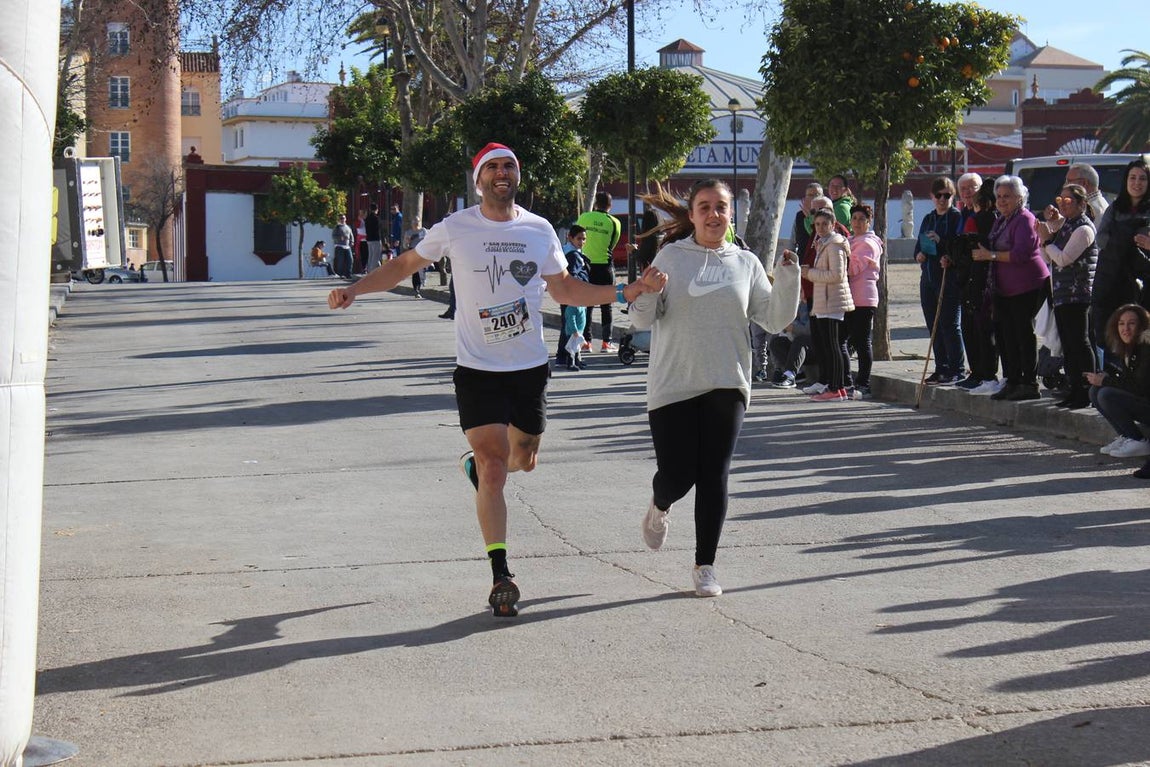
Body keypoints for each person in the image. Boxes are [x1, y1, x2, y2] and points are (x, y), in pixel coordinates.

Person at [326, 142, 665, 617]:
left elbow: (564, 288)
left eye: (509, 166)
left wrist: (625, 290)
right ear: (479, 178)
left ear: (517, 176)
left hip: (528, 369)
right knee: (492, 467)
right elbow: (404, 265)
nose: (501, 174)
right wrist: (355, 289)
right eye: (493, 168)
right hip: (477, 370)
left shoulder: (538, 228)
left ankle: (489, 470)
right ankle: (500, 573)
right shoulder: (456, 228)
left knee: (522, 461)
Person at [629, 179, 800, 597]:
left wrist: (790, 278)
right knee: (678, 473)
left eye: (720, 207)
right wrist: (647, 292)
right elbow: (640, 320)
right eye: (704, 207)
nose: (713, 215)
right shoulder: (671, 256)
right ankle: (660, 504)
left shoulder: (746, 263)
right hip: (673, 383)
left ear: (730, 214)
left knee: (714, 474)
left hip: (728, 381)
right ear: (692, 215)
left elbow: (773, 320)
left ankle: (705, 565)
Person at [972, 175, 1049, 401]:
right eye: (999, 197)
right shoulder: (1001, 219)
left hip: (1027, 285)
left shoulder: (1025, 219)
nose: (1002, 201)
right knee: (1006, 336)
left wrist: (990, 255)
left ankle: (1029, 382)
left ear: (1019, 197)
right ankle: (1012, 380)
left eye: (1008, 196)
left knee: (1023, 335)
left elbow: (1021, 254)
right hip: (1003, 288)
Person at [1038, 183, 1098, 409]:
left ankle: (1086, 390)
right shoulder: (1067, 226)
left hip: (1077, 294)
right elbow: (1048, 258)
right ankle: (1074, 389)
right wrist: (1050, 230)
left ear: (1082, 203)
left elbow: (1063, 258)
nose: (1062, 204)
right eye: (1060, 200)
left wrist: (1047, 240)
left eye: (1068, 201)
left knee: (1079, 343)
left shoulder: (1083, 229)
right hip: (1061, 295)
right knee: (1068, 345)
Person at [1091, 159, 1150, 369]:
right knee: (1110, 334)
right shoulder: (1115, 207)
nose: (1137, 183)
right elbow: (1101, 239)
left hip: (1140, 282)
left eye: (1143, 179)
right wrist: (1122, 241)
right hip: (1111, 280)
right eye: (1132, 178)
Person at [915, 176, 965, 385]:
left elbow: (959, 246)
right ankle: (941, 367)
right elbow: (918, 245)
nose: (943, 199)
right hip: (928, 277)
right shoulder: (928, 218)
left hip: (948, 277)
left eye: (947, 195)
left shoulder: (956, 217)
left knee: (949, 324)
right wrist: (919, 255)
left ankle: (957, 369)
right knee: (933, 324)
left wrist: (942, 243)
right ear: (932, 197)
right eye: (939, 195)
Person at [803, 208, 855, 401]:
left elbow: (836, 275)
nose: (821, 228)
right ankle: (836, 387)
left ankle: (836, 387)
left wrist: (810, 273)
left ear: (833, 225)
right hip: (824, 300)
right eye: (817, 224)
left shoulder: (834, 244)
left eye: (825, 224)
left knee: (833, 346)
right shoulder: (823, 244)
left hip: (833, 300)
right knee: (828, 345)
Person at [1088, 304, 1150, 460]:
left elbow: (1141, 387)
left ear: (1141, 325)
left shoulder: (1146, 346)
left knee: (1106, 394)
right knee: (1095, 391)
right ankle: (1126, 436)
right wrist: (1106, 379)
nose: (1126, 328)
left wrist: (1107, 381)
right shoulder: (1127, 347)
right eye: (1121, 323)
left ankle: (1138, 440)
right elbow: (1130, 381)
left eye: (1132, 323)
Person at [957, 182, 1002, 394]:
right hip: (991, 278)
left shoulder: (977, 220)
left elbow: (968, 251)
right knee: (984, 330)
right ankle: (984, 373)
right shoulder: (999, 221)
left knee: (977, 329)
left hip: (976, 278)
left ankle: (981, 373)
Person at [576, 192, 622, 352]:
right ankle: (606, 343)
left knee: (587, 304)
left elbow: (577, 237)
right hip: (605, 267)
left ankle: (586, 342)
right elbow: (612, 245)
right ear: (610, 205)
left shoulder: (584, 217)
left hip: (586, 266)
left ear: (595, 203)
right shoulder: (615, 222)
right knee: (606, 305)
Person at [846, 204, 883, 397]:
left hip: (864, 298)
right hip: (850, 297)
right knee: (848, 340)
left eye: (862, 219)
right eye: (854, 219)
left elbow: (853, 268)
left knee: (862, 341)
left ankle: (864, 383)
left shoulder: (869, 243)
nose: (857, 222)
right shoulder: (850, 240)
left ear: (869, 222)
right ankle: (848, 381)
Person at [555, 225, 591, 369]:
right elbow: (573, 276)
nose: (582, 242)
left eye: (584, 239)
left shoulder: (568, 251)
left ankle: (568, 357)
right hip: (573, 295)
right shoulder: (573, 255)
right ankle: (566, 358)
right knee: (572, 328)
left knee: (569, 326)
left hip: (568, 295)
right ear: (570, 237)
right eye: (579, 238)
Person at [767, 302, 811, 389]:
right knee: (777, 342)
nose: (801, 295)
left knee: (800, 341)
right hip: (799, 343)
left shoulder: (813, 305)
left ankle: (790, 376)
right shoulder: (801, 305)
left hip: (813, 346)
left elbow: (809, 331)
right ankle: (797, 373)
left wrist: (792, 328)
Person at [405, 216, 429, 298]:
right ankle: (416, 290)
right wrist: (408, 241)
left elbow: (427, 241)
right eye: (414, 222)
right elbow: (405, 245)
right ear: (411, 224)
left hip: (422, 251)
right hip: (412, 251)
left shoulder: (423, 231)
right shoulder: (408, 232)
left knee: (421, 269)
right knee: (415, 271)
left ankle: (423, 280)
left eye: (417, 222)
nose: (416, 224)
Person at [330, 214, 355, 279]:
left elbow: (351, 235)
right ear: (339, 219)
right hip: (339, 246)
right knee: (340, 261)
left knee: (350, 259)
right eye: (341, 218)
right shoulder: (337, 227)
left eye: (343, 218)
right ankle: (340, 274)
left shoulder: (348, 227)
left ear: (345, 219)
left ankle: (348, 274)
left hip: (347, 246)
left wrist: (352, 241)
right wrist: (340, 238)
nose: (342, 219)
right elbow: (333, 236)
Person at [364, 203, 384, 272]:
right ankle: (372, 271)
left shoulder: (367, 218)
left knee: (371, 255)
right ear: (377, 209)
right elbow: (379, 230)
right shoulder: (376, 218)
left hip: (369, 239)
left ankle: (372, 269)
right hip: (376, 239)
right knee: (376, 256)